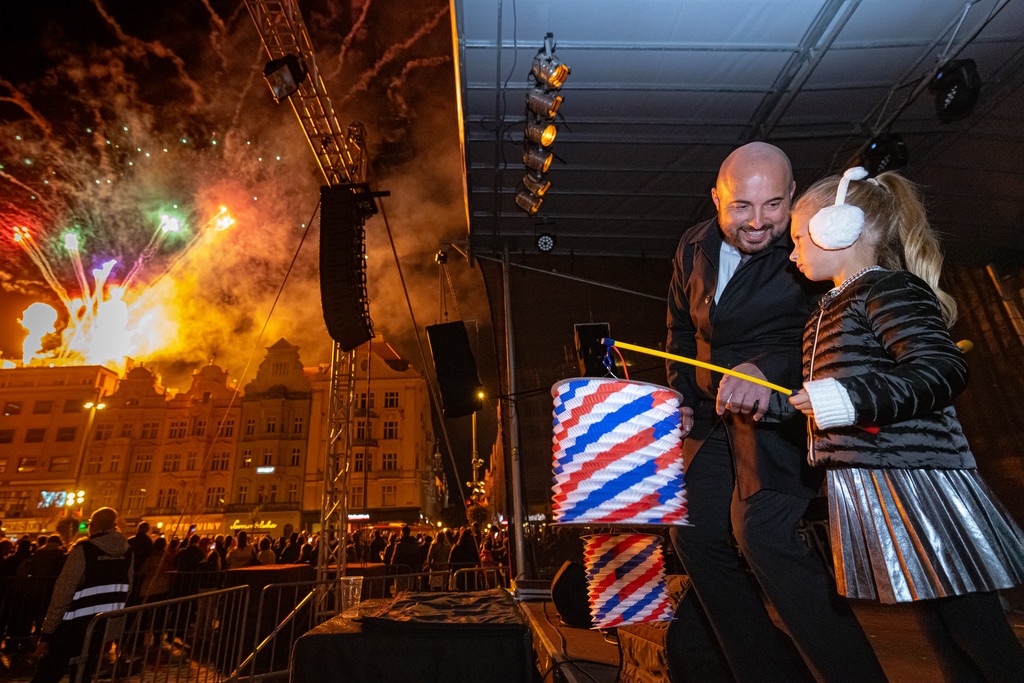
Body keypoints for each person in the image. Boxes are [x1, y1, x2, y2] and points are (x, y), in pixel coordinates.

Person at [789, 167, 1024, 681]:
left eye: (798, 238)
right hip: (873, 480)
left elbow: (942, 368)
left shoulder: (887, 290)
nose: (792, 253)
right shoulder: (828, 308)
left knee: (972, 624)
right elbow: (847, 398)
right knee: (940, 629)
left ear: (838, 228)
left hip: (914, 476)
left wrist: (846, 398)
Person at [665, 142, 885, 682]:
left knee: (761, 536)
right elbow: (679, 328)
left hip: (782, 417)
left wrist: (768, 370)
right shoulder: (692, 246)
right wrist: (683, 399)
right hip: (714, 418)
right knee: (691, 533)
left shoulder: (807, 252)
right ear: (716, 197)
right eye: (741, 206)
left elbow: (829, 339)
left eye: (772, 206)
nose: (758, 223)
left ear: (792, 197)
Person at [31, 507, 133, 683]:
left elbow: (63, 593)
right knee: (82, 674)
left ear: (93, 526)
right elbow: (127, 588)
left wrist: (47, 633)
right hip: (101, 625)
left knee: (46, 675)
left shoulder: (85, 550)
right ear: (114, 525)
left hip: (71, 627)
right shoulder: (127, 552)